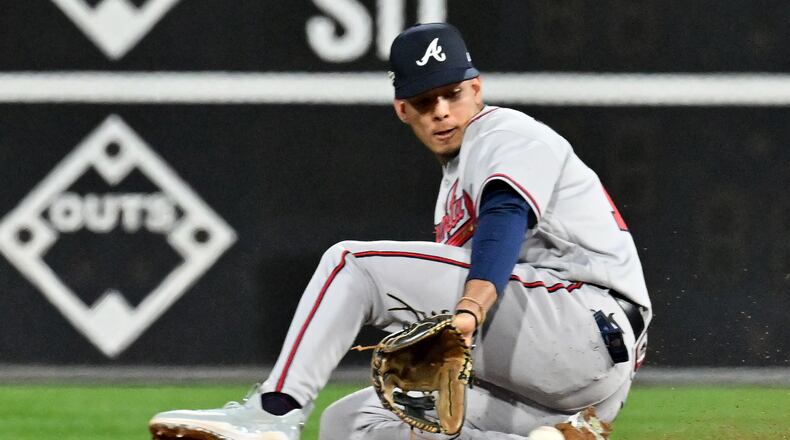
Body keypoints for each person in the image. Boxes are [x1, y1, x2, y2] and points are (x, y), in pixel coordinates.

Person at [149, 23, 651, 440]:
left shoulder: (505, 132)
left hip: (584, 322)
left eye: (453, 93)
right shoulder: (451, 186)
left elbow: (504, 214)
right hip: (566, 387)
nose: (441, 111)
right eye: (425, 100)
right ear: (402, 110)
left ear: (476, 89)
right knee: (351, 424)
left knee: (354, 266)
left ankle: (273, 413)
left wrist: (470, 310)